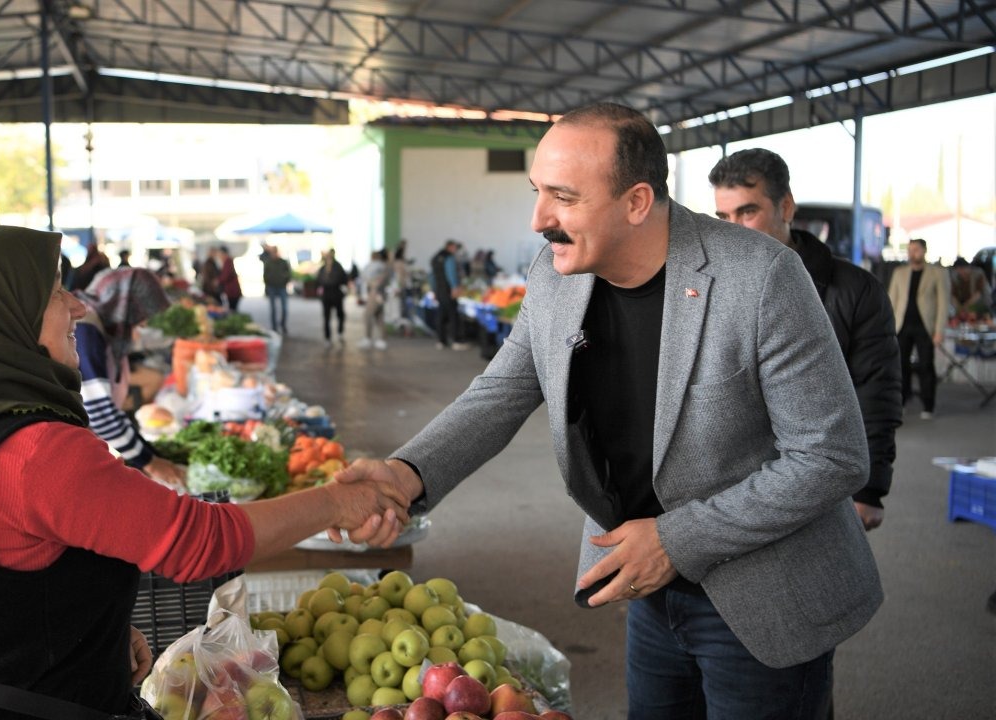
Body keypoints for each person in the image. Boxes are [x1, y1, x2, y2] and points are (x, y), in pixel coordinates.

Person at [334, 102, 880, 718]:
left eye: (564, 197)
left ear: (637, 202)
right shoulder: (556, 273)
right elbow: (505, 388)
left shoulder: (760, 277)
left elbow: (831, 457)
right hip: (648, 587)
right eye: (538, 191)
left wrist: (676, 540)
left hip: (763, 594)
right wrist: (406, 474)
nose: (539, 219)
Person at [0, 225, 403, 719]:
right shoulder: (34, 452)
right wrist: (334, 502)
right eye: (53, 294)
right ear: (1, 316)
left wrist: (89, 633)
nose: (76, 306)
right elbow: (202, 542)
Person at [709, 148, 902, 532]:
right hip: (729, 488)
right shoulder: (709, 284)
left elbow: (876, 390)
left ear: (786, 206)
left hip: (816, 479)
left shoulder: (856, 290)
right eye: (723, 217)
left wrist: (869, 491)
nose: (733, 229)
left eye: (747, 212)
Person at [75, 268, 186, 486]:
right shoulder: (85, 330)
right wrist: (150, 462)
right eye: (141, 316)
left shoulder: (98, 324)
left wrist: (151, 453)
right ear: (125, 306)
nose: (143, 324)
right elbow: (100, 414)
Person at [887, 238, 950, 419]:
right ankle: (902, 400)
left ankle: (928, 405)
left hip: (925, 326)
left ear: (924, 251)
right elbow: (892, 300)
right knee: (900, 365)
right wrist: (889, 326)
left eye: (916, 249)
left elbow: (943, 304)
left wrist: (939, 330)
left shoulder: (938, 273)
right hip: (902, 325)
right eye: (910, 249)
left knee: (925, 366)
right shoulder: (899, 273)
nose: (912, 253)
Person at [430, 239, 466, 350]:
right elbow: (451, 273)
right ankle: (456, 341)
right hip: (448, 290)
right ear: (450, 247)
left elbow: (432, 276)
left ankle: (441, 341)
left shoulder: (436, 258)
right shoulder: (449, 257)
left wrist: (434, 290)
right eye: (455, 247)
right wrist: (455, 287)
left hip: (439, 291)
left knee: (441, 315)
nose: (456, 250)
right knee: (453, 315)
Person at [316, 249, 350, 347]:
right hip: (326, 296)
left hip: (336, 295)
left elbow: (344, 279)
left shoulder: (338, 266)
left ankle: (340, 332)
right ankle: (327, 337)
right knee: (326, 317)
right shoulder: (322, 269)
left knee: (340, 315)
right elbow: (318, 281)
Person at [359, 249, 390, 350]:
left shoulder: (375, 266)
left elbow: (366, 278)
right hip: (378, 293)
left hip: (375, 293)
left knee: (368, 315)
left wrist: (375, 291)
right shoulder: (383, 266)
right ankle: (382, 339)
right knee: (379, 316)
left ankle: (368, 338)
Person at [261, 243, 292, 334]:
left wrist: (284, 281)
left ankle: (283, 325)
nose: (273, 254)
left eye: (275, 252)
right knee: (273, 308)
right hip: (272, 287)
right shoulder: (268, 262)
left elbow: (288, 274)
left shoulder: (283, 262)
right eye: (272, 252)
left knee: (284, 308)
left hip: (281, 287)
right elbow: (265, 274)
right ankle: (274, 327)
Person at [217, 246, 242, 312]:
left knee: (232, 310)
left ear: (223, 254)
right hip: (232, 291)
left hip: (232, 291)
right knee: (232, 309)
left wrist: (218, 280)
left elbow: (225, 276)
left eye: (220, 254)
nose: (219, 256)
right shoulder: (227, 261)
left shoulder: (228, 261)